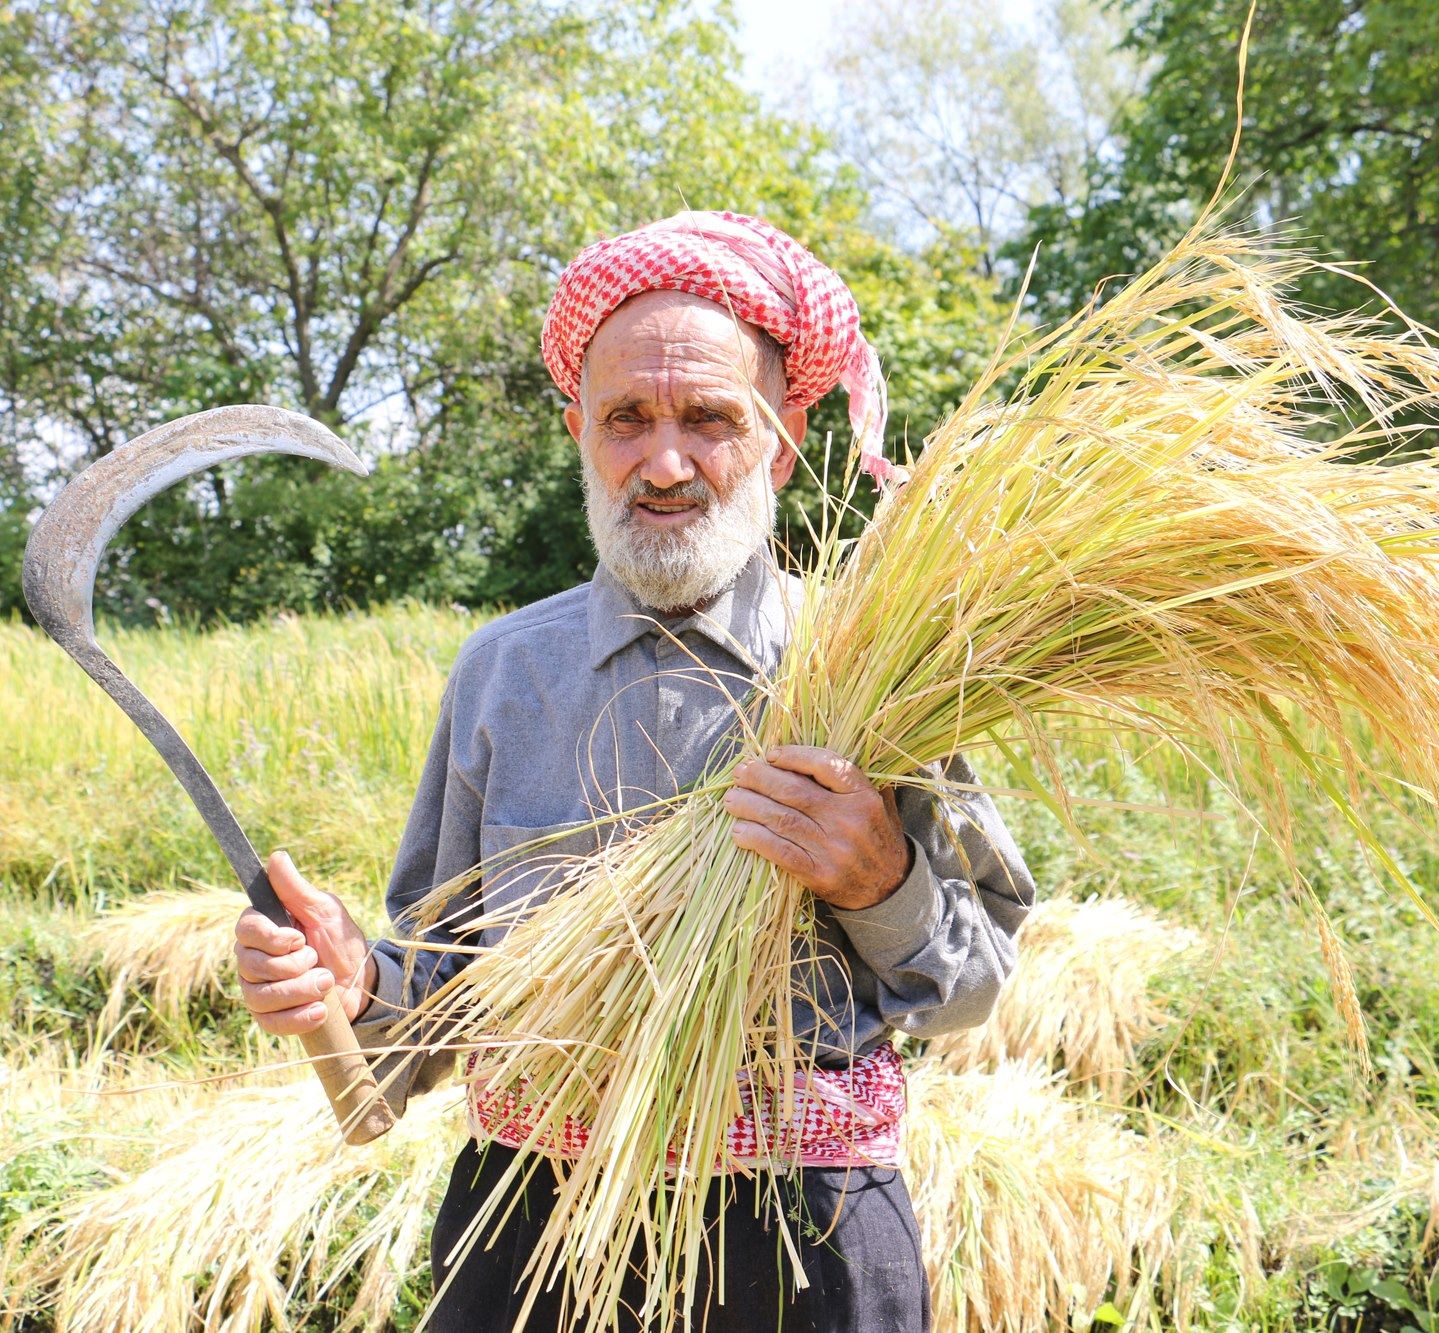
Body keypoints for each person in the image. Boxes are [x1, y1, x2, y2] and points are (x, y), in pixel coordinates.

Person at [232, 210, 1035, 1332]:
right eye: (626, 419)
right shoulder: (504, 671)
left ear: (784, 439)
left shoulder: (875, 669)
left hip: (803, 1242)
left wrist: (881, 882)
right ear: (579, 433)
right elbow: (436, 995)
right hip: (532, 1235)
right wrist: (353, 983)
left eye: (710, 418)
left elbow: (980, 981)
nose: (664, 463)